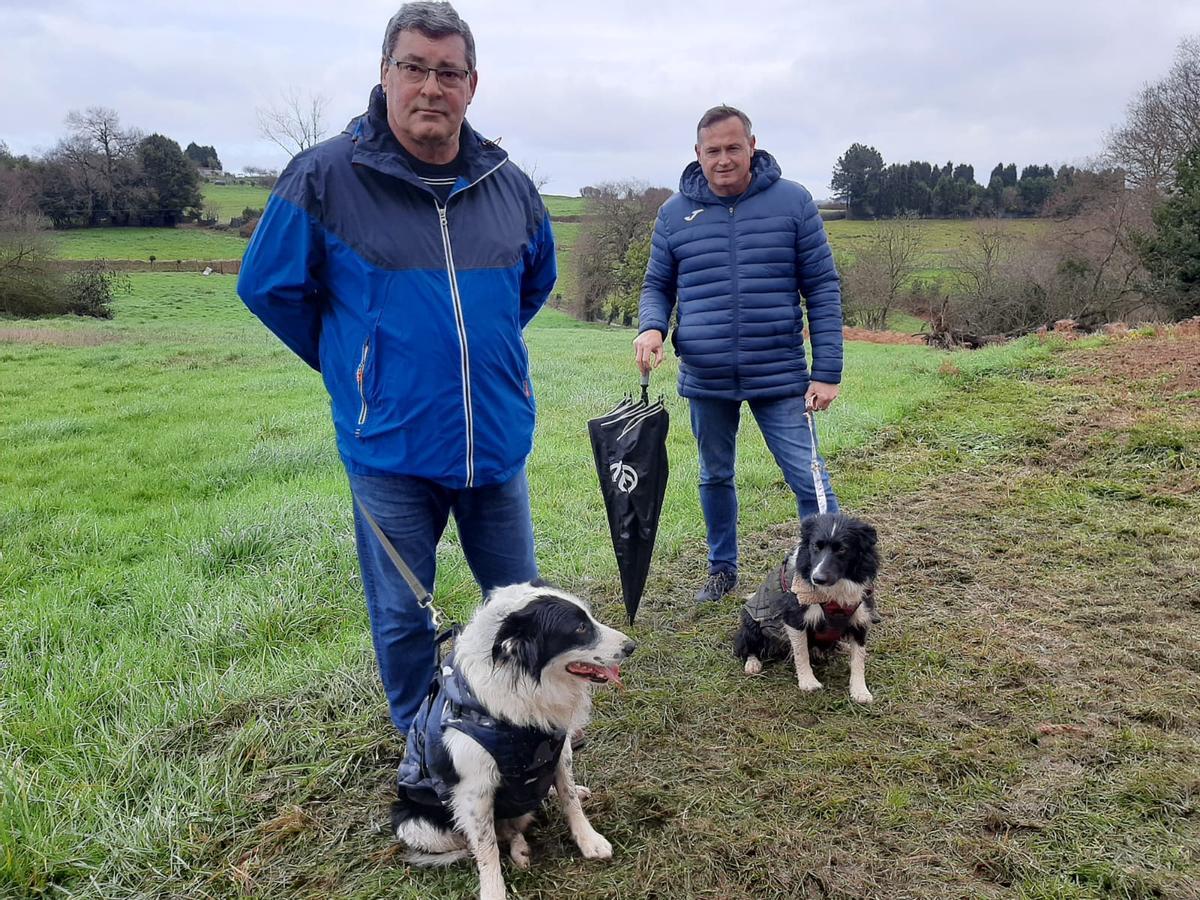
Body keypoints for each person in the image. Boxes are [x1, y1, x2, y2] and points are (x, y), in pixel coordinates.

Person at [238, 1, 556, 733]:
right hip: (390, 450)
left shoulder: (510, 184)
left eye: (449, 72)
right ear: (385, 75)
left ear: (473, 84)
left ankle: (523, 733)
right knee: (404, 613)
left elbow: (531, 285)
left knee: (519, 602)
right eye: (414, 67)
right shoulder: (322, 177)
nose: (431, 87)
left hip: (496, 444)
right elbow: (267, 286)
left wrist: (483, 360)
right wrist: (359, 368)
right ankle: (424, 748)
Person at [634, 105, 843, 603]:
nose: (723, 160)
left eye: (733, 148)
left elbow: (823, 287)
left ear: (752, 145)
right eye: (713, 151)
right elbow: (657, 285)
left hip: (780, 374)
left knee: (807, 478)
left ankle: (833, 579)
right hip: (706, 375)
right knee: (715, 474)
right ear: (698, 154)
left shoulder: (793, 202)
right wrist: (651, 327)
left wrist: (827, 370)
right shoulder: (673, 213)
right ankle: (721, 569)